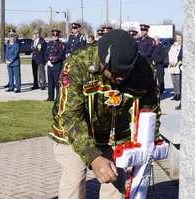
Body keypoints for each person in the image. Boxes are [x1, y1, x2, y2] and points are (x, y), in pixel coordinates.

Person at [50, 29, 160, 199]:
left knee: (115, 184)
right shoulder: (78, 64)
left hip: (115, 135)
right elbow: (70, 117)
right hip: (75, 132)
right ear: (103, 63)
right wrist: (94, 157)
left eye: (126, 72)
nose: (121, 79)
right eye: (115, 74)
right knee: (74, 181)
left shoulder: (144, 70)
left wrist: (147, 143)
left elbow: (150, 109)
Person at [45, 29, 66, 101]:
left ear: (58, 36)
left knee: (57, 83)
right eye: (54, 36)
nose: (55, 37)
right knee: (50, 82)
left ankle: (58, 98)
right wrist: (48, 60)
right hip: (49, 66)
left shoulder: (61, 44)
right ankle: (50, 97)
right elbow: (46, 53)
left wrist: (53, 61)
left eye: (56, 36)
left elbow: (61, 56)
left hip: (57, 66)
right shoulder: (49, 43)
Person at [168, 34, 183, 103]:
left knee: (178, 81)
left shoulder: (182, 46)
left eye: (180, 38)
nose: (178, 39)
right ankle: (175, 94)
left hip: (177, 66)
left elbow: (180, 56)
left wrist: (176, 62)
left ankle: (179, 95)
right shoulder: (172, 46)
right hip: (172, 66)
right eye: (177, 38)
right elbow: (169, 54)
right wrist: (170, 61)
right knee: (173, 82)